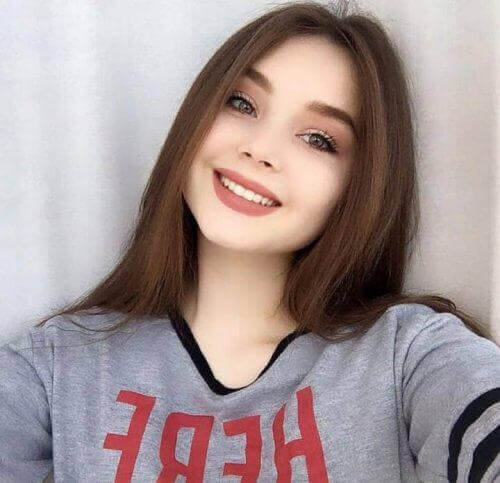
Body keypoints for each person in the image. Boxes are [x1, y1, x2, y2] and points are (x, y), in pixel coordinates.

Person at [1, 1, 499, 481]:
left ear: (361, 186)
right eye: (242, 104)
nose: (260, 150)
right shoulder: (57, 363)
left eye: (318, 139)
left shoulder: (406, 355)